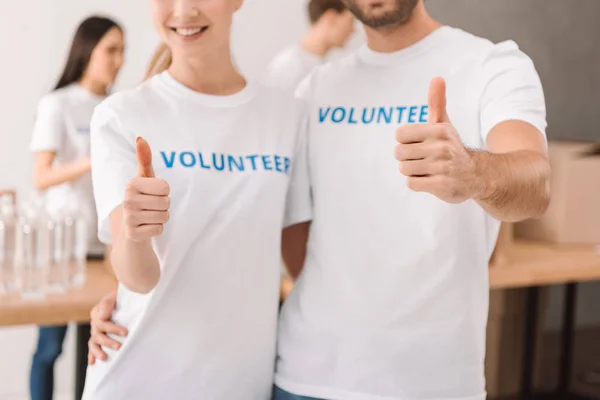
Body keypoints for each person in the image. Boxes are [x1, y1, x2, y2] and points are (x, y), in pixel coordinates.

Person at [89, 0, 552, 399]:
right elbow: (283, 239)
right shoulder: (312, 92)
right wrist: (133, 290)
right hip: (301, 380)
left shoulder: (491, 65)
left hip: (430, 382)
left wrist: (473, 173)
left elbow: (534, 183)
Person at [81, 0, 310, 399]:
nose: (183, 11)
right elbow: (138, 277)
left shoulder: (287, 116)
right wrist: (135, 232)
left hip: (240, 383)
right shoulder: (120, 116)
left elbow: (304, 264)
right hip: (137, 378)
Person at [28, 16, 124, 400]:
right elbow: (41, 176)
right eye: (111, 50)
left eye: (122, 51)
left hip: (104, 248)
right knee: (51, 347)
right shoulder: (58, 104)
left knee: (95, 349)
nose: (118, 60)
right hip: (61, 251)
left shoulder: (118, 106)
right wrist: (93, 159)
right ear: (87, 51)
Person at [265, 0, 355, 91]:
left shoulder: (318, 67)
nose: (353, 30)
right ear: (330, 18)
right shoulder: (288, 67)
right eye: (350, 20)